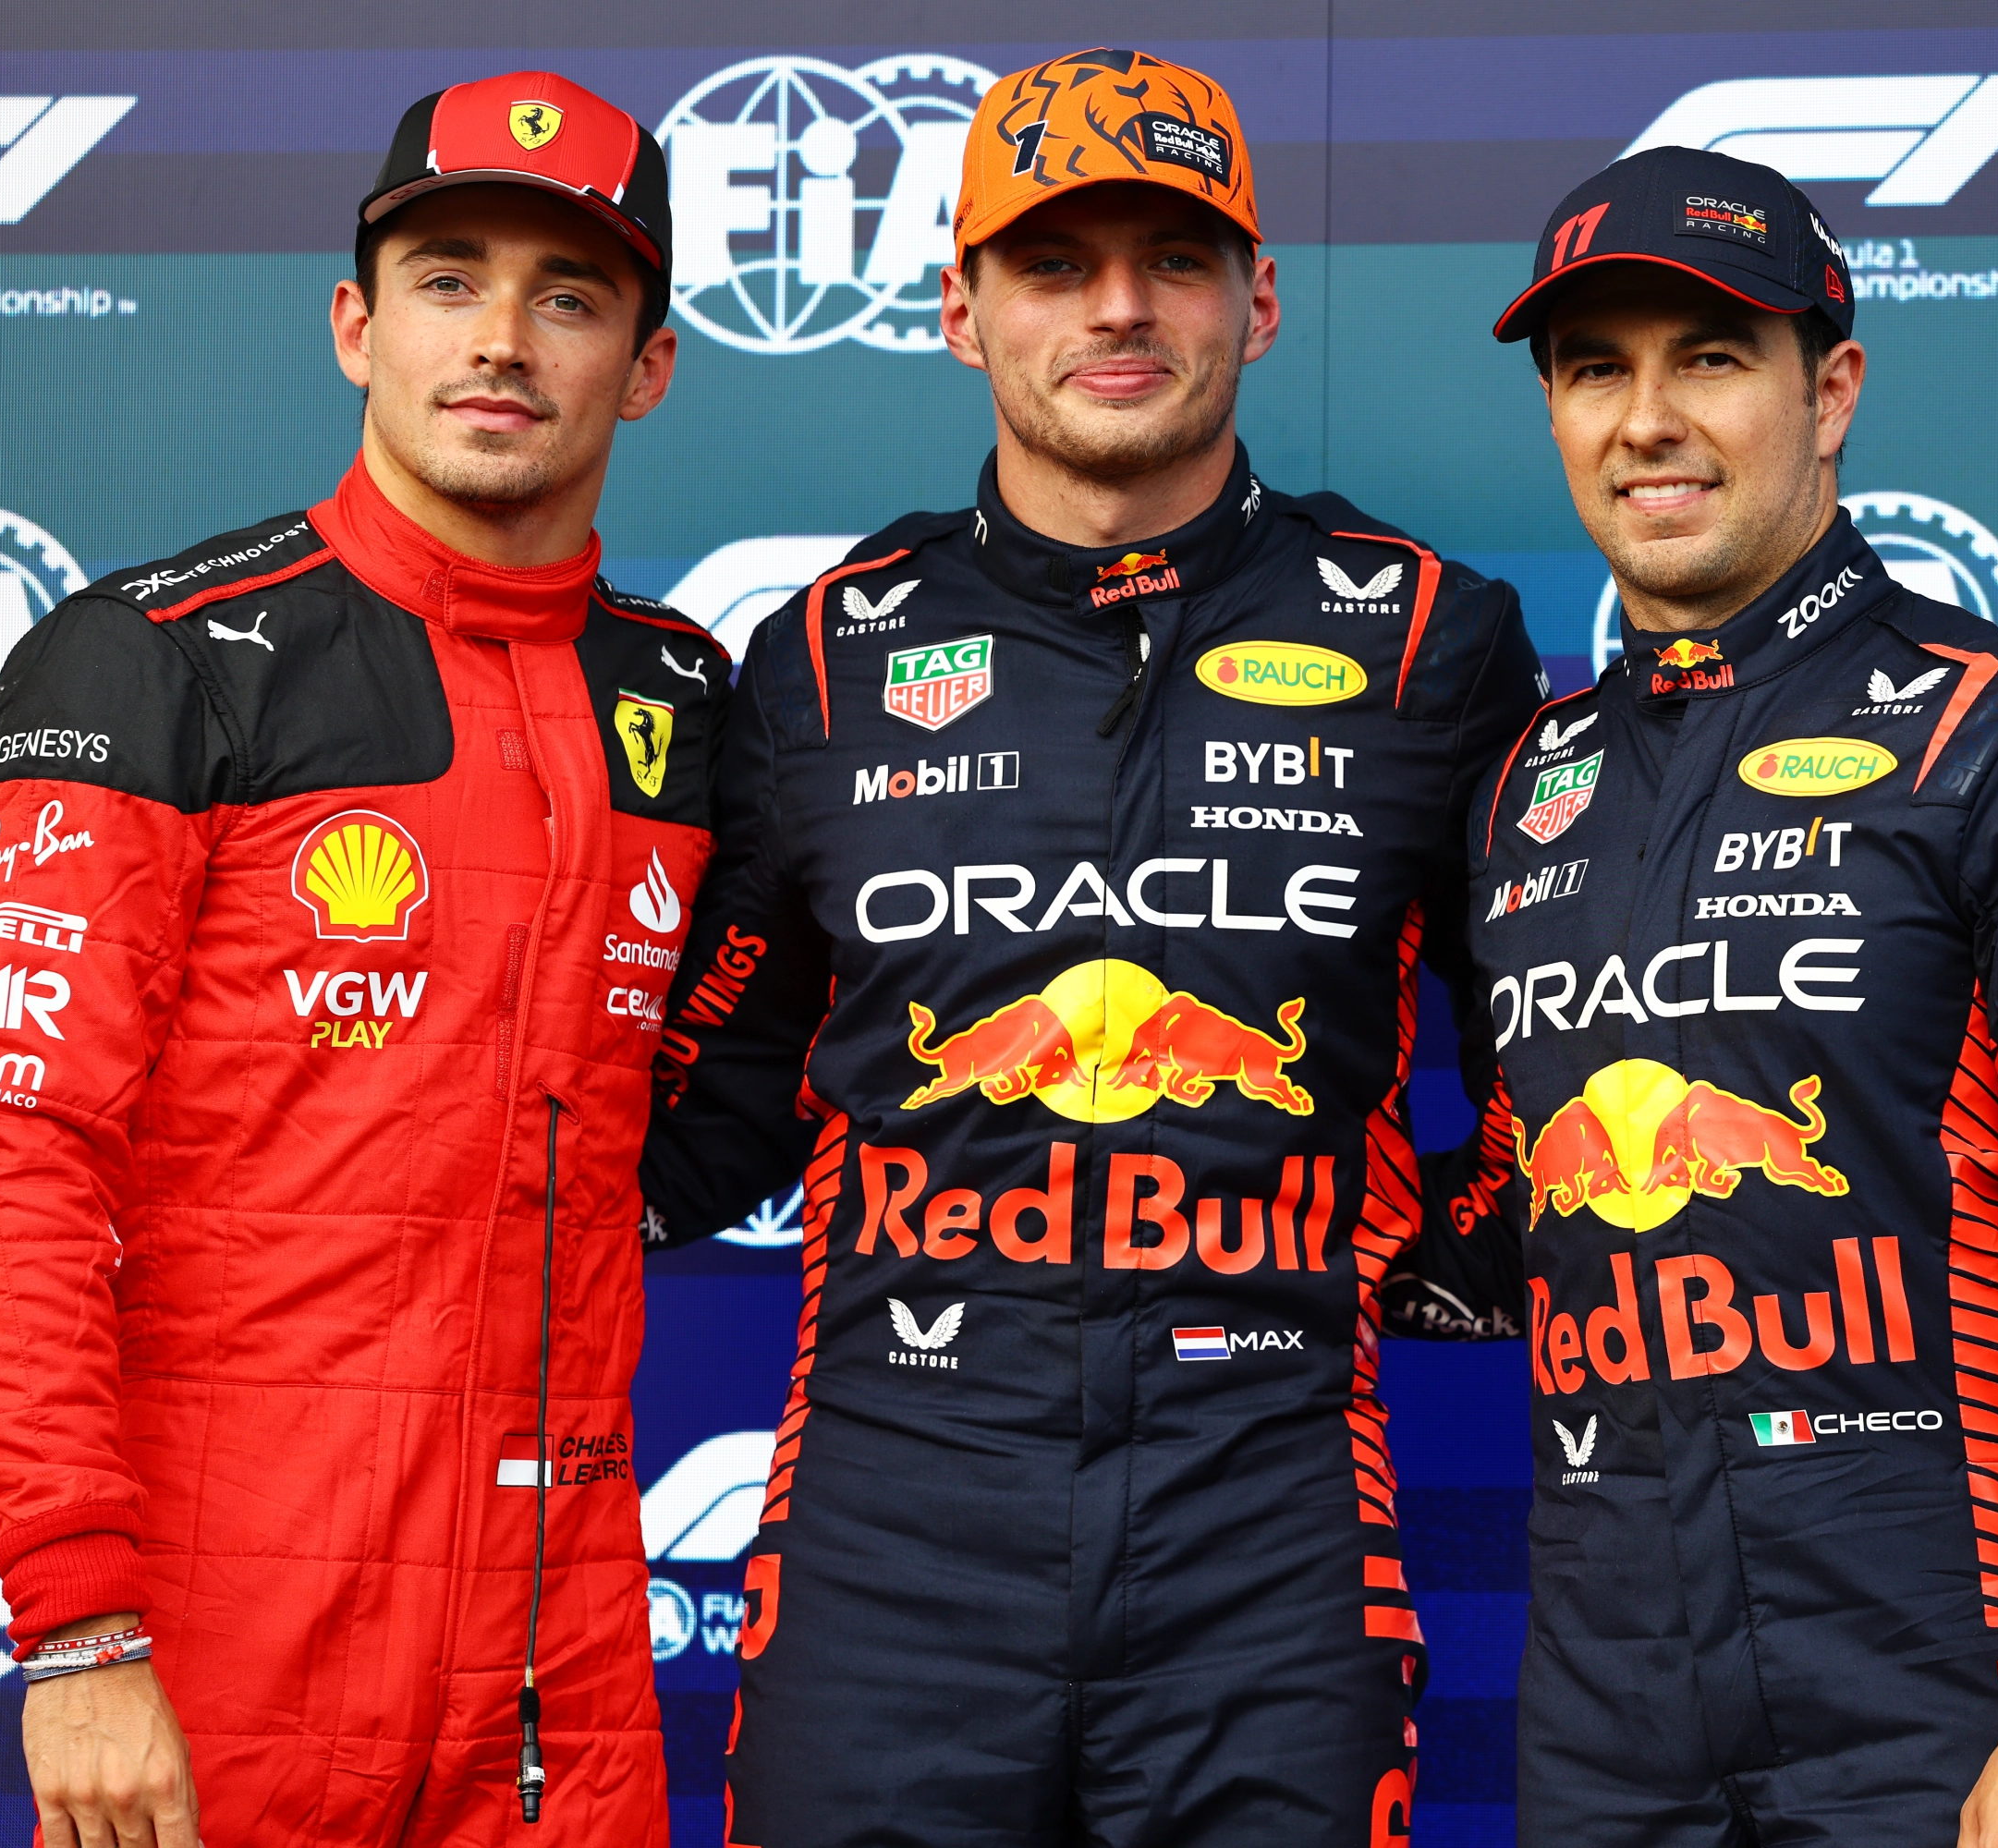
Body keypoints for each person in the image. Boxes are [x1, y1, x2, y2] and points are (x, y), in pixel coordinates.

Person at [638, 47, 1543, 1847]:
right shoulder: (821, 658)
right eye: (1054, 265)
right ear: (961, 312)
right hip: (890, 1539)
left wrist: (1475, 1235)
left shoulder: (1435, 633)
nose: (1118, 308)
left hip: (1271, 1528)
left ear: (1258, 301)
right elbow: (713, 1086)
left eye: (1174, 258)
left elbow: (1549, 1022)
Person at [1384, 147, 1998, 1846]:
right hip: (1606, 1689)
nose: (1647, 421)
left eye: (1709, 356)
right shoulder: (1521, 793)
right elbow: (1512, 1204)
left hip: (1942, 1659)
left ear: (1831, 387)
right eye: (1594, 370)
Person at [0, 72, 723, 1848]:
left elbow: (726, 1070)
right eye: (448, 278)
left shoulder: (682, 698)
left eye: (570, 296)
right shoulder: (145, 662)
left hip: (556, 1664)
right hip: (218, 1653)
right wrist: (83, 1630)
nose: (501, 340)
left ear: (648, 366)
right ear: (356, 325)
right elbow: (14, 1172)